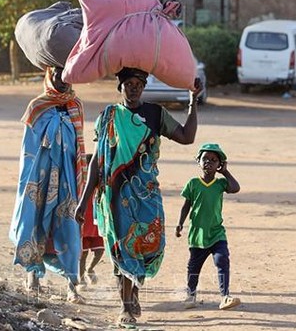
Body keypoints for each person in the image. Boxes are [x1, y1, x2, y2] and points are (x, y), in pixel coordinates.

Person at [75, 67, 203, 326]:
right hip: (115, 196)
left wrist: (192, 101)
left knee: (147, 246)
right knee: (122, 248)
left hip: (147, 195)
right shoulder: (108, 116)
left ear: (144, 87)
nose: (133, 88)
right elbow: (98, 162)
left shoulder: (156, 114)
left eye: (138, 84)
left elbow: (187, 138)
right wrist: (84, 199)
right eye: (128, 84)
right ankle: (125, 306)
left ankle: (133, 293)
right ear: (119, 87)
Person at [9, 66, 88, 304]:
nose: (62, 79)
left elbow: (79, 147)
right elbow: (28, 151)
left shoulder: (76, 107)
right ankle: (32, 274)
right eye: (57, 74)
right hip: (39, 177)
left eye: (67, 74)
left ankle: (73, 285)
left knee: (69, 228)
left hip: (67, 178)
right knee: (33, 221)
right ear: (49, 75)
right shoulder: (37, 107)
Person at [175, 143, 242, 310]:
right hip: (197, 234)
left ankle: (225, 296)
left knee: (222, 260)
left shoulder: (220, 184)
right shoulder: (193, 183)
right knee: (194, 267)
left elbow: (235, 188)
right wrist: (180, 223)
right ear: (198, 161)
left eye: (214, 160)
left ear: (219, 165)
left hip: (217, 233)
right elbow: (186, 205)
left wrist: (225, 172)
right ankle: (191, 295)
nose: (208, 162)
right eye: (205, 159)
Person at [78, 153, 105, 287]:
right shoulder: (80, 185)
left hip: (96, 225)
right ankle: (81, 278)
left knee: (99, 251)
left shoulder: (99, 185)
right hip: (84, 225)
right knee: (82, 254)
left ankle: (90, 269)